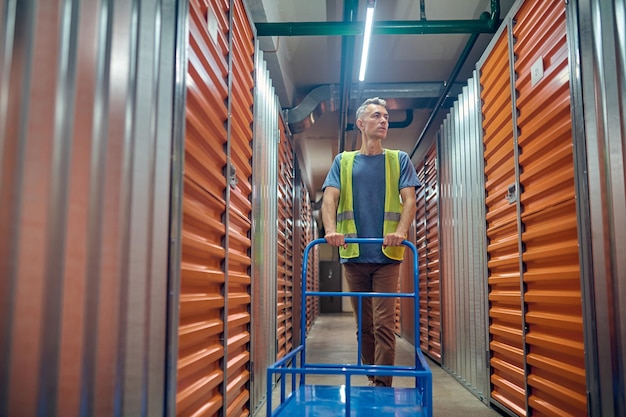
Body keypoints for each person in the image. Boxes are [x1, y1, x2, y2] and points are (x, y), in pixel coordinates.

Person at [321, 97, 420, 388]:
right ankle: (371, 375)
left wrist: (401, 232)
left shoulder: (398, 159)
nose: (384, 120)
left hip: (387, 256)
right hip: (353, 254)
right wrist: (330, 230)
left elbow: (409, 200)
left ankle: (382, 385)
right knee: (363, 327)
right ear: (361, 124)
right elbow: (330, 198)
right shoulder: (344, 161)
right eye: (377, 116)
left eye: (387, 116)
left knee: (383, 324)